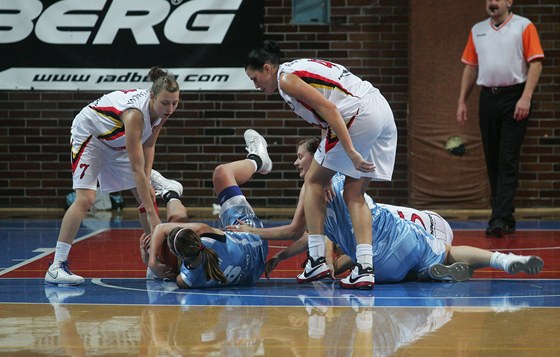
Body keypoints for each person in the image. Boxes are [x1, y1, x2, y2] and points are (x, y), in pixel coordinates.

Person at [228, 137, 544, 285]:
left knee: (345, 265)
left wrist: (252, 233)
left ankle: (430, 274)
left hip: (384, 261)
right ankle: (503, 261)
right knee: (446, 253)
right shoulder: (344, 177)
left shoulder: (313, 187)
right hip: (400, 239)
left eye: (300, 156)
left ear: (317, 157)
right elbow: (310, 234)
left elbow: (297, 231)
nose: (296, 162)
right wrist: (283, 256)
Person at [245, 40, 398, 289]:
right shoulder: (296, 70)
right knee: (354, 193)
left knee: (313, 181)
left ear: (267, 68)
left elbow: (330, 109)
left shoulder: (286, 79)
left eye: (255, 78)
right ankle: (365, 267)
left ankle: (317, 259)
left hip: (357, 113)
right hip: (380, 110)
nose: (255, 85)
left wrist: (349, 151)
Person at [45, 67, 181, 285]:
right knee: (86, 199)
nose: (171, 108)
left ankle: (154, 263)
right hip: (91, 136)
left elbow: (149, 145)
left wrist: (147, 185)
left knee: (148, 196)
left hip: (116, 141)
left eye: (175, 103)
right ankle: (56, 266)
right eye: (166, 103)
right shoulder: (135, 114)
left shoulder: (162, 110)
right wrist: (153, 216)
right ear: (153, 96)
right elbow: (136, 168)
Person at [456, 0, 544, 237]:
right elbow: (471, 67)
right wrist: (462, 100)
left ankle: (499, 218)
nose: (492, 3)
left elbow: (535, 63)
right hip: (488, 98)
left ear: (509, 2)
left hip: (514, 96)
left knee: (507, 157)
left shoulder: (524, 26)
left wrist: (526, 97)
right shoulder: (478, 30)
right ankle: (505, 216)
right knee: (493, 158)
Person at [144, 129, 273, 288]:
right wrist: (152, 262)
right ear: (197, 237)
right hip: (253, 240)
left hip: (254, 272)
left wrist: (153, 264)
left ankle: (171, 193)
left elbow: (174, 272)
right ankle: (259, 159)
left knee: (176, 221)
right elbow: (161, 229)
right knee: (221, 173)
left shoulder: (185, 279)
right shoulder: (206, 236)